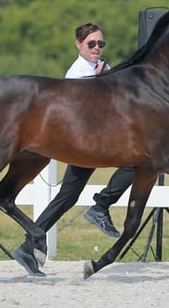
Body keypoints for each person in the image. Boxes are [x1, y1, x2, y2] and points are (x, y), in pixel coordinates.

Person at [11, 22, 135, 274]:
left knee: (67, 197)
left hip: (94, 140)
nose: (97, 48)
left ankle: (27, 247)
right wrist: (101, 80)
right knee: (137, 161)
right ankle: (101, 206)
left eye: (101, 43)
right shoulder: (78, 72)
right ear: (78, 44)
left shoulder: (99, 67)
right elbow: (77, 108)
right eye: (91, 44)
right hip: (84, 142)